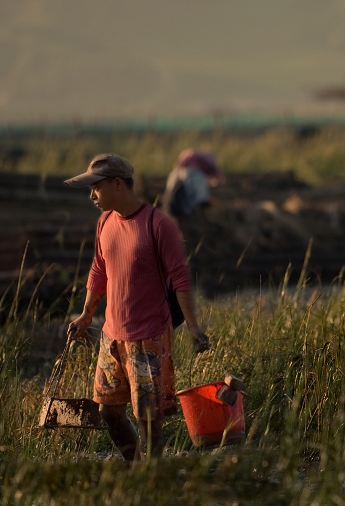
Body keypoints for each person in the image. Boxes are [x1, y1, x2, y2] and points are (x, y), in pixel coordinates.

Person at [64, 153, 210, 461]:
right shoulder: (104, 222)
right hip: (111, 336)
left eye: (97, 187)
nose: (92, 195)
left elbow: (180, 278)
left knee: (148, 421)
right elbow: (98, 270)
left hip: (149, 338)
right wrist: (86, 314)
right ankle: (136, 471)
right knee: (108, 412)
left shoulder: (159, 224)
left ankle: (151, 482)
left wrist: (195, 329)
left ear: (118, 184)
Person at [162, 149, 223, 225]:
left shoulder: (193, 158)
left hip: (178, 175)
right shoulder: (206, 164)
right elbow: (215, 177)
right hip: (190, 176)